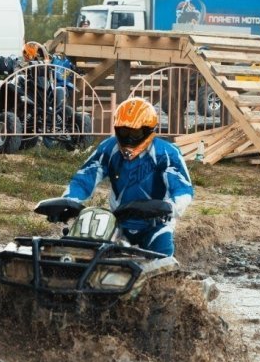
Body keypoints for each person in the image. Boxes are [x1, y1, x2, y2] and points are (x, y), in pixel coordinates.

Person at [62, 97, 193, 257]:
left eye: (135, 133)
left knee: (162, 258)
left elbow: (183, 189)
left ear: (148, 130)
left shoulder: (166, 152)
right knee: (84, 253)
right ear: (117, 129)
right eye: (124, 132)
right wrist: (68, 201)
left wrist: (170, 207)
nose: (129, 138)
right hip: (118, 223)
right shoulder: (109, 147)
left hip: (155, 224)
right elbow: (84, 178)